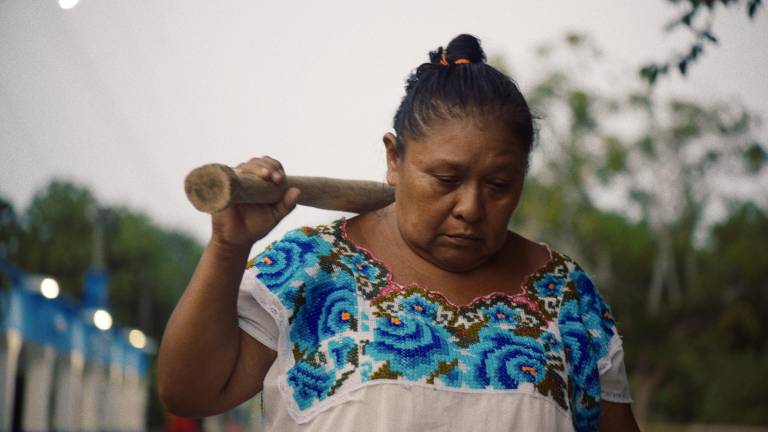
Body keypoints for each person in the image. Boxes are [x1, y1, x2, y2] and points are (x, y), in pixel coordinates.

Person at [158, 34, 641, 432]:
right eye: (446, 180)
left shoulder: (566, 296)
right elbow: (191, 392)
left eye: (498, 185)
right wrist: (229, 245)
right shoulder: (309, 267)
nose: (470, 208)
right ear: (394, 159)